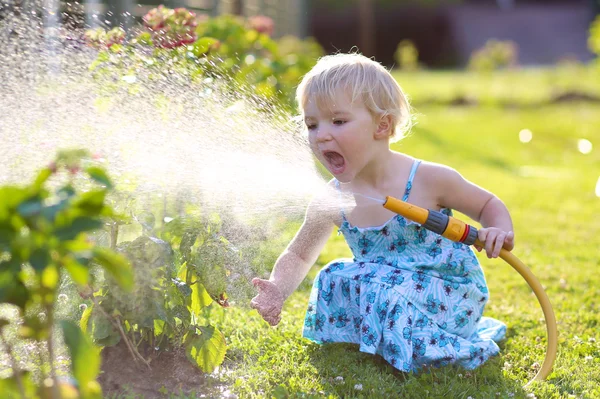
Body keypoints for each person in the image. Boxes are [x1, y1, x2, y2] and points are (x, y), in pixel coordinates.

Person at [250, 53, 514, 372]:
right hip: (387, 288)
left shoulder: (429, 179)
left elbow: (487, 205)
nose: (321, 135)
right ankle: (375, 340)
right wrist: (278, 287)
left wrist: (497, 229)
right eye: (312, 124)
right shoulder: (333, 197)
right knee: (333, 274)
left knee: (382, 285)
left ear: (382, 125)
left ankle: (425, 345)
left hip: (447, 292)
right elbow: (300, 254)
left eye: (338, 121)